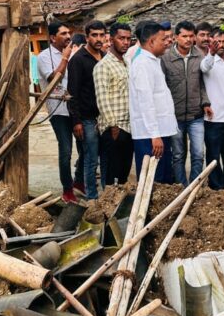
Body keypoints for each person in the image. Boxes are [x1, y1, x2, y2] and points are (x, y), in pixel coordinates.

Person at [38, 21, 83, 204]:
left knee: (86, 147)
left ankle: (79, 181)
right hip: (58, 110)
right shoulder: (44, 57)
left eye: (68, 33)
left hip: (75, 108)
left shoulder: (74, 54)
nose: (67, 36)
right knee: (66, 150)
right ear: (52, 38)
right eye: (63, 33)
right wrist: (65, 58)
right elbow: (55, 78)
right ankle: (67, 189)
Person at [130, 21, 177, 183]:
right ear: (151, 42)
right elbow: (146, 102)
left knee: (163, 179)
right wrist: (155, 135)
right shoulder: (142, 64)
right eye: (162, 39)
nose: (166, 43)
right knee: (152, 180)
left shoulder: (153, 61)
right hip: (149, 135)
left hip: (159, 131)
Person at [161, 21, 208, 185]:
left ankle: (194, 188)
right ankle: (181, 188)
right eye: (184, 36)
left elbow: (202, 83)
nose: (188, 39)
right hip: (175, 116)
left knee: (198, 154)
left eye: (191, 36)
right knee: (178, 155)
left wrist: (205, 103)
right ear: (175, 37)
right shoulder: (166, 58)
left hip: (196, 115)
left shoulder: (200, 55)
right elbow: (163, 86)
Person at [67, 20, 107, 200]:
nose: (99, 39)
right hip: (86, 118)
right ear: (87, 36)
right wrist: (76, 121)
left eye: (101, 35)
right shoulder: (78, 60)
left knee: (103, 156)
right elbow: (72, 93)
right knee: (91, 160)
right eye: (94, 35)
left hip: (105, 116)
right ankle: (92, 198)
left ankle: (104, 194)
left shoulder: (106, 57)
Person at [94, 22, 134, 186]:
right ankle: (107, 209)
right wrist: (113, 126)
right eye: (121, 38)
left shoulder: (127, 62)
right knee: (111, 177)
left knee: (124, 175)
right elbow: (101, 98)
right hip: (114, 128)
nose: (125, 42)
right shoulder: (103, 66)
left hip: (129, 126)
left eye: (128, 39)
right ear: (111, 40)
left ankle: (121, 209)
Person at [201, 29, 224, 190]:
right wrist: (211, 53)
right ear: (212, 43)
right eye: (218, 42)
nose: (221, 45)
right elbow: (204, 68)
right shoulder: (208, 61)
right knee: (213, 154)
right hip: (214, 117)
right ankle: (216, 186)